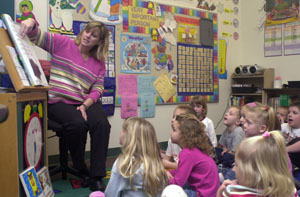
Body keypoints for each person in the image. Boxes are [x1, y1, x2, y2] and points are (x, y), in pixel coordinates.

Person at [20, 18, 111, 191]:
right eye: (87, 31)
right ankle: (81, 168)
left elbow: (98, 88)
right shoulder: (63, 44)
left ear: (99, 41)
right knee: (77, 124)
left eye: (94, 35)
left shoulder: (99, 63)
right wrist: (31, 21)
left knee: (102, 124)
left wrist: (85, 105)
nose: (88, 36)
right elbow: (36, 36)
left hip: (84, 100)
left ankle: (97, 175)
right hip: (59, 101)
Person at [217, 131, 297, 197]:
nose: (234, 168)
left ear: (250, 172)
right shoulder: (290, 190)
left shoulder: (232, 193)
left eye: (236, 165)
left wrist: (220, 192)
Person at [105, 117, 168, 196]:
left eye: (123, 129)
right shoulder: (156, 166)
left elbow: (111, 194)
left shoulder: (123, 164)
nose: (120, 131)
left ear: (129, 137)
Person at [167, 114, 219, 197]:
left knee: (170, 191)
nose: (170, 132)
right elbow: (181, 171)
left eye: (174, 130)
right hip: (210, 193)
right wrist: (167, 173)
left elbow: (177, 183)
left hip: (202, 194)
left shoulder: (187, 153)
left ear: (185, 136)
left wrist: (162, 179)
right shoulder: (193, 150)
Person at [162, 104, 197, 170]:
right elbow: (166, 160)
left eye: (177, 118)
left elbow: (188, 167)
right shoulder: (172, 140)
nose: (172, 120)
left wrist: (169, 164)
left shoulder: (193, 143)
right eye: (173, 117)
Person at [282, 101, 300, 169]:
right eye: (289, 112)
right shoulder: (284, 126)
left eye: (294, 113)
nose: (289, 115)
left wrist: (284, 149)